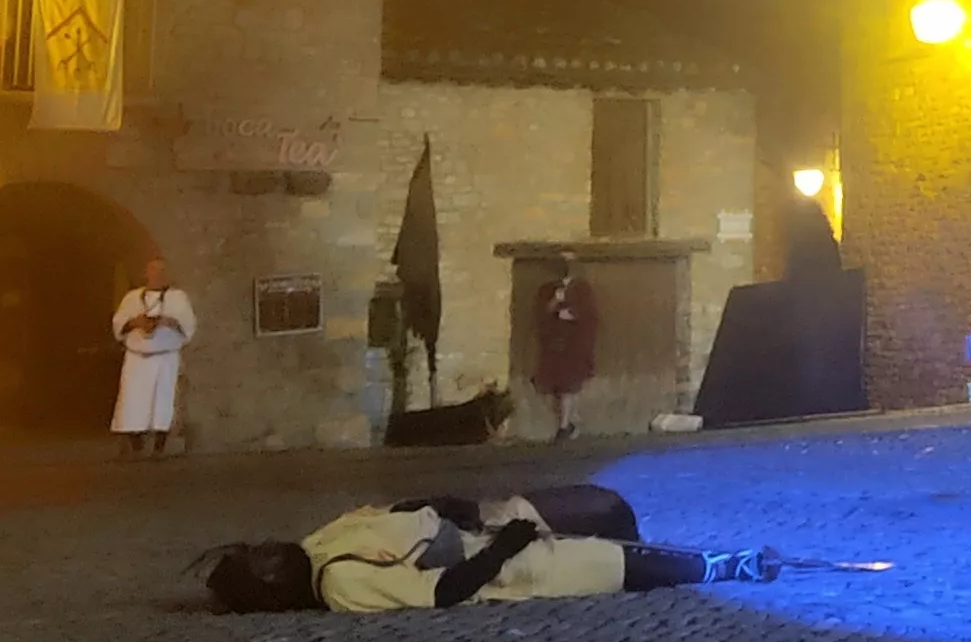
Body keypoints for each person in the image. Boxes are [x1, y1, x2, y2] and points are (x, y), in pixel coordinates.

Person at [200, 486, 781, 614]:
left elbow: (389, 516)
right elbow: (442, 591)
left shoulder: (316, 544)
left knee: (604, 510)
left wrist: (439, 506)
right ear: (271, 585)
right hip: (501, 566)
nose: (269, 550)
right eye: (260, 562)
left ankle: (706, 559)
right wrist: (504, 548)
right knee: (614, 563)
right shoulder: (339, 583)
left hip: (479, 526)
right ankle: (729, 567)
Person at [111, 256, 194, 457]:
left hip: (165, 357)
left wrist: (168, 321)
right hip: (137, 357)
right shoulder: (132, 298)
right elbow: (119, 323)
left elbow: (188, 324)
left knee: (162, 401)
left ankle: (159, 447)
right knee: (133, 401)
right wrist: (136, 322)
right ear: (146, 273)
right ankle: (136, 446)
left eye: (161, 270)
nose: (157, 274)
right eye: (153, 270)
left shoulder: (177, 298)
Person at [531, 254, 598, 443]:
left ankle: (565, 425)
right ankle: (569, 423)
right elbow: (543, 312)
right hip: (555, 346)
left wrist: (574, 315)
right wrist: (555, 301)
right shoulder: (550, 288)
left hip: (575, 346)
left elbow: (590, 316)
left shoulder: (583, 289)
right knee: (557, 387)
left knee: (569, 386)